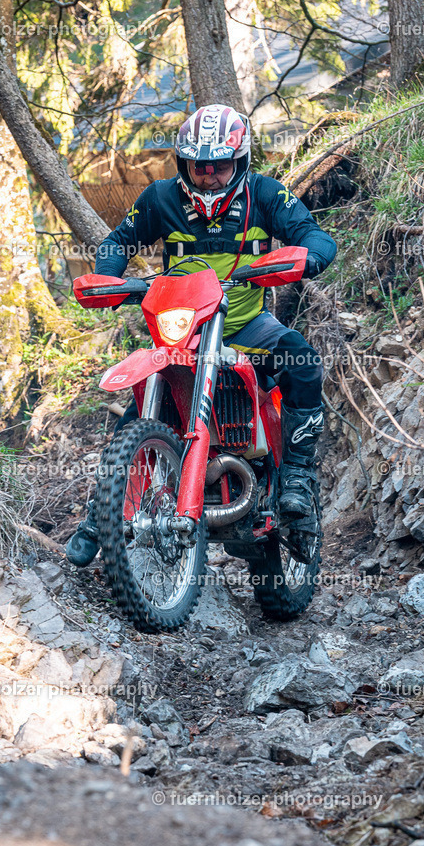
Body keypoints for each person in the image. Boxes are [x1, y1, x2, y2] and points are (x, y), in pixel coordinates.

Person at [66, 103, 336, 566]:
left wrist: (307, 257)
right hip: (184, 330)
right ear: (183, 164)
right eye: (199, 166)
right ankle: (104, 510)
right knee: (138, 409)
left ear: (239, 161)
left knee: (303, 361)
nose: (209, 175)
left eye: (219, 165)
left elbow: (315, 236)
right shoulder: (160, 198)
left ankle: (297, 474)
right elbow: (118, 242)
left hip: (246, 325)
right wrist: (111, 277)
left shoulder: (266, 193)